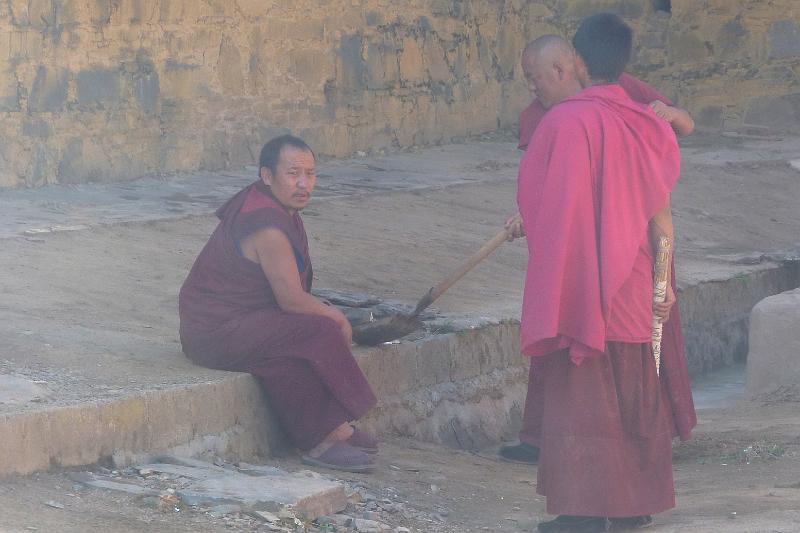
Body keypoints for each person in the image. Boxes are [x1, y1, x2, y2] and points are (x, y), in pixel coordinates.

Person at [516, 14, 683, 532]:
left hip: (580, 286)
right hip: (634, 282)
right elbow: (661, 214)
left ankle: (583, 513)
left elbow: (543, 207)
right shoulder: (648, 123)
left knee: (582, 398)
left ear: (580, 63)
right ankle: (633, 507)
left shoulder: (563, 123)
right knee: (634, 392)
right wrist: (664, 283)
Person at [178, 135, 378, 473]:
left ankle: (332, 431)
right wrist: (337, 318)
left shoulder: (275, 205)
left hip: (241, 322)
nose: (303, 184)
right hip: (214, 332)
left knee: (282, 360)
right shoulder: (266, 225)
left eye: (311, 174)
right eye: (293, 173)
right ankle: (323, 441)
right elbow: (291, 300)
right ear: (267, 175)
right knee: (321, 329)